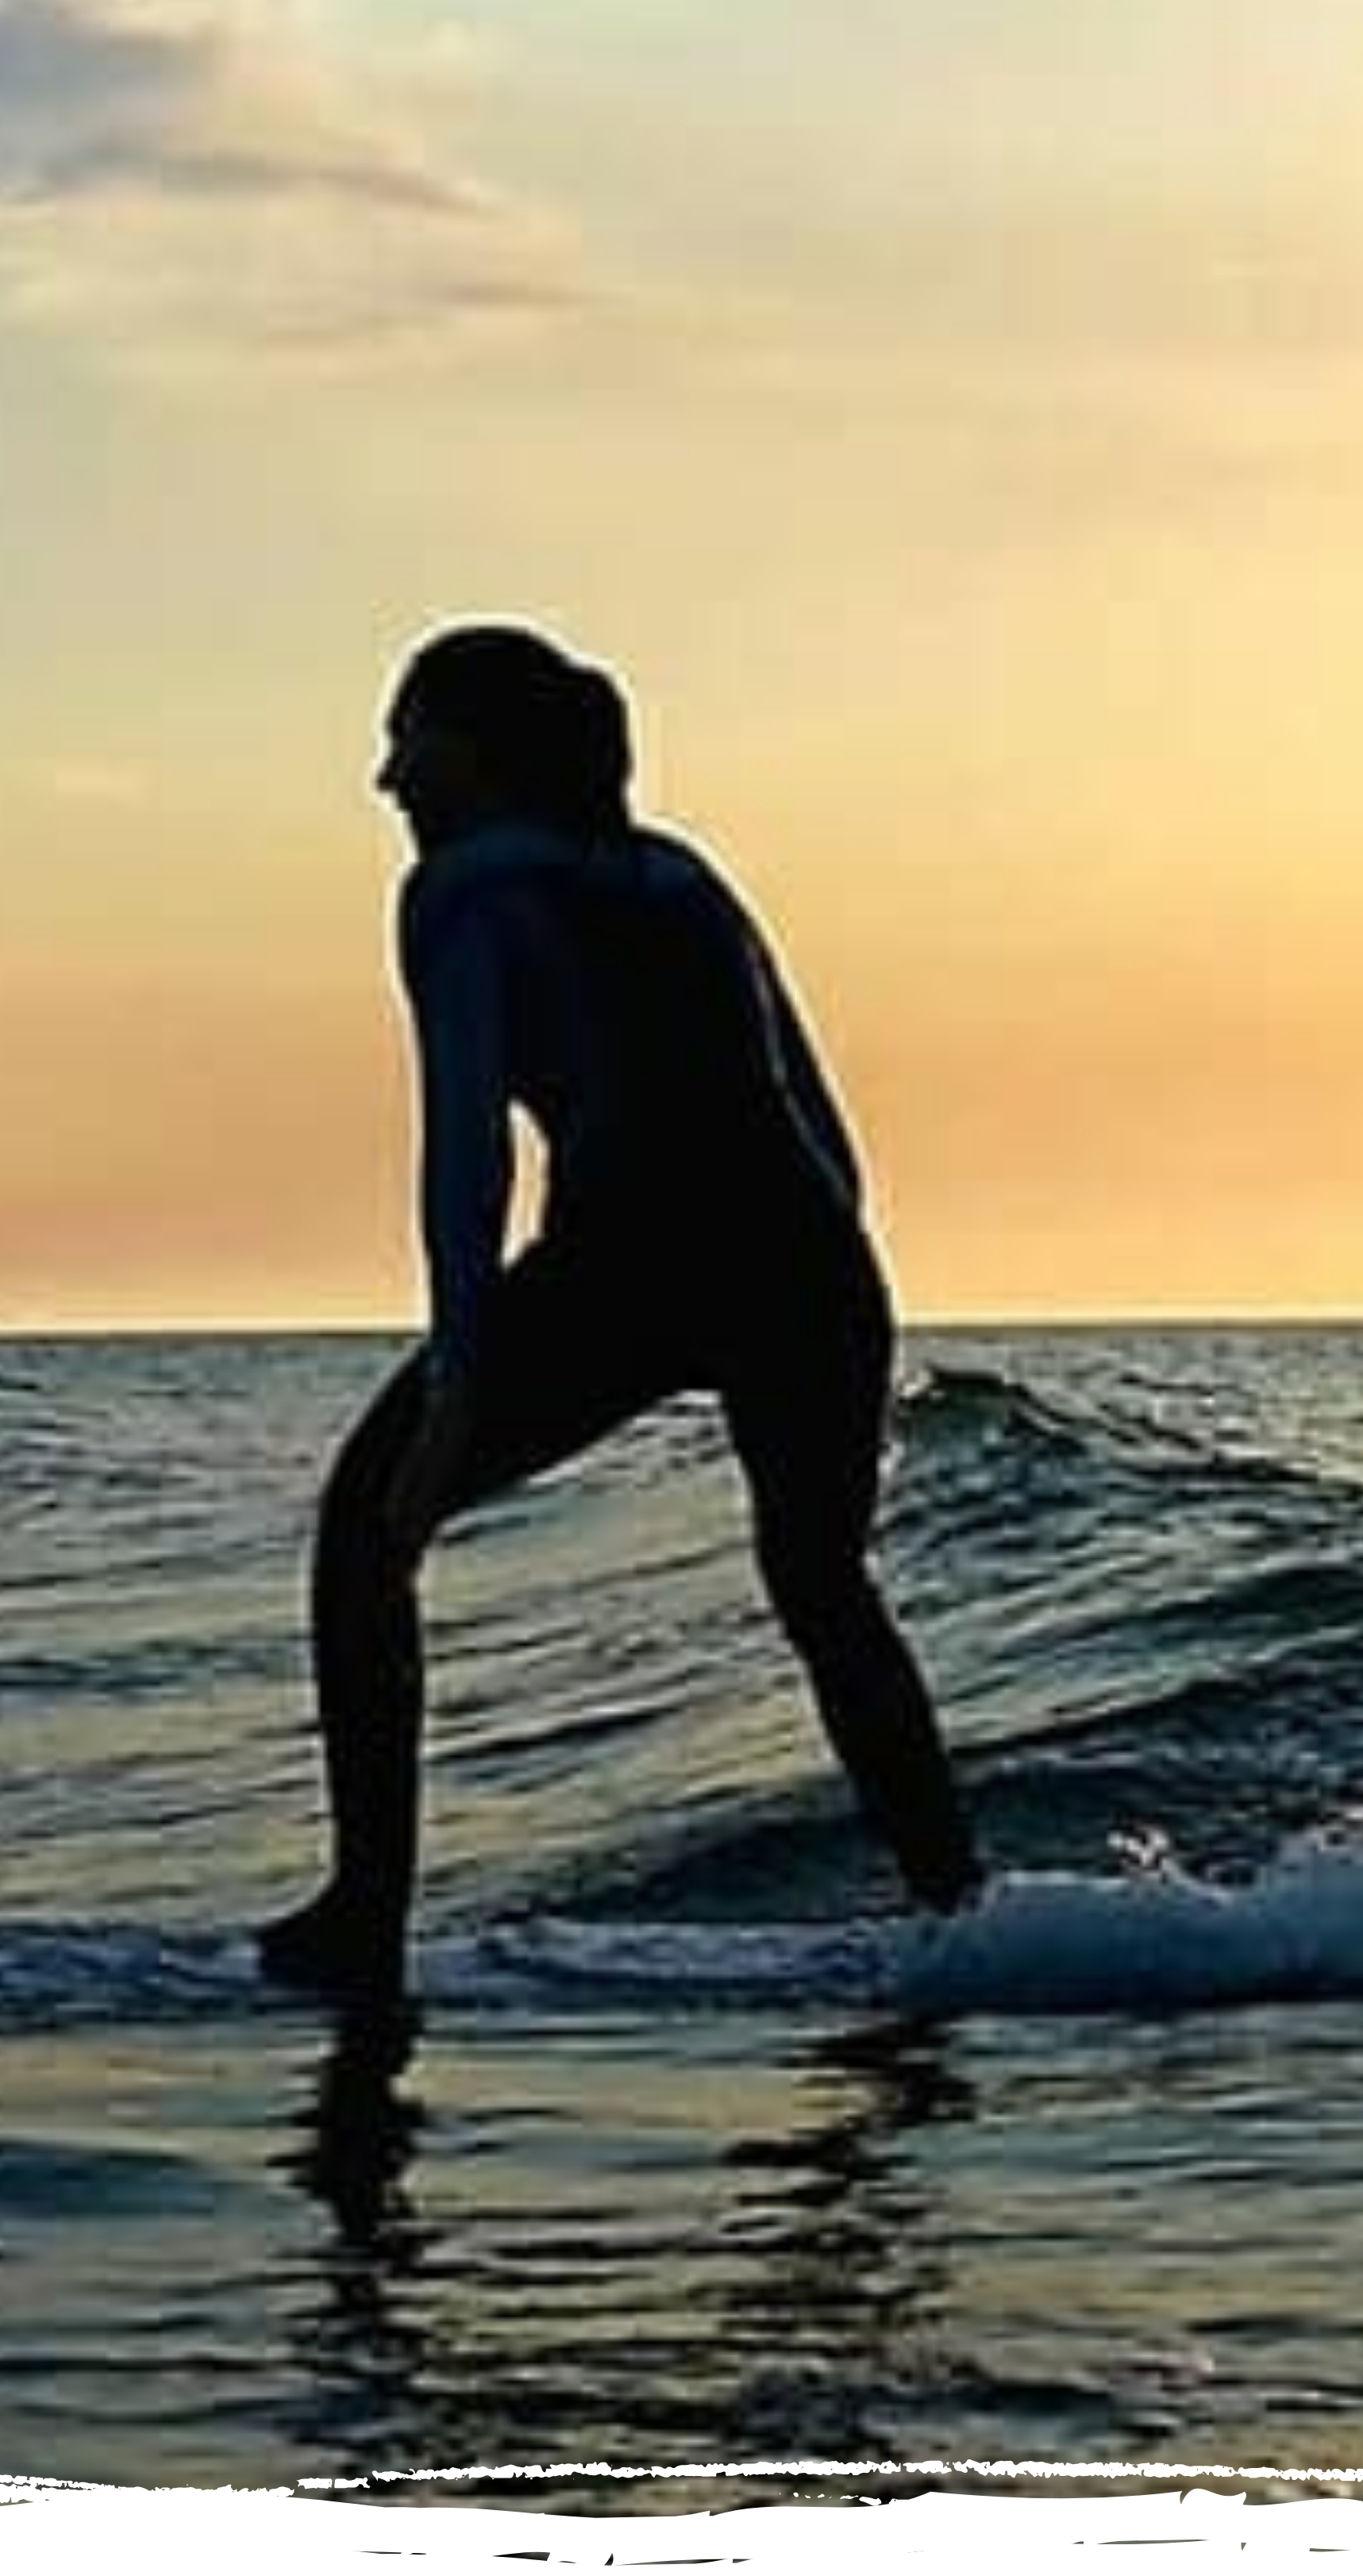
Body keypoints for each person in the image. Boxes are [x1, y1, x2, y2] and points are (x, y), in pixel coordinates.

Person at [254, 626, 988, 1999]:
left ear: (474, 751)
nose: (386, 778)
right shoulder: (681, 875)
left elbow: (468, 1160)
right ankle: (965, 1908)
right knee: (824, 1586)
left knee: (365, 1527)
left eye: (406, 738)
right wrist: (827, 1296)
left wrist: (464, 1387)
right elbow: (828, 1135)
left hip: (636, 1258)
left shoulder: (461, 891)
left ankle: (367, 1914)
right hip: (811, 1259)